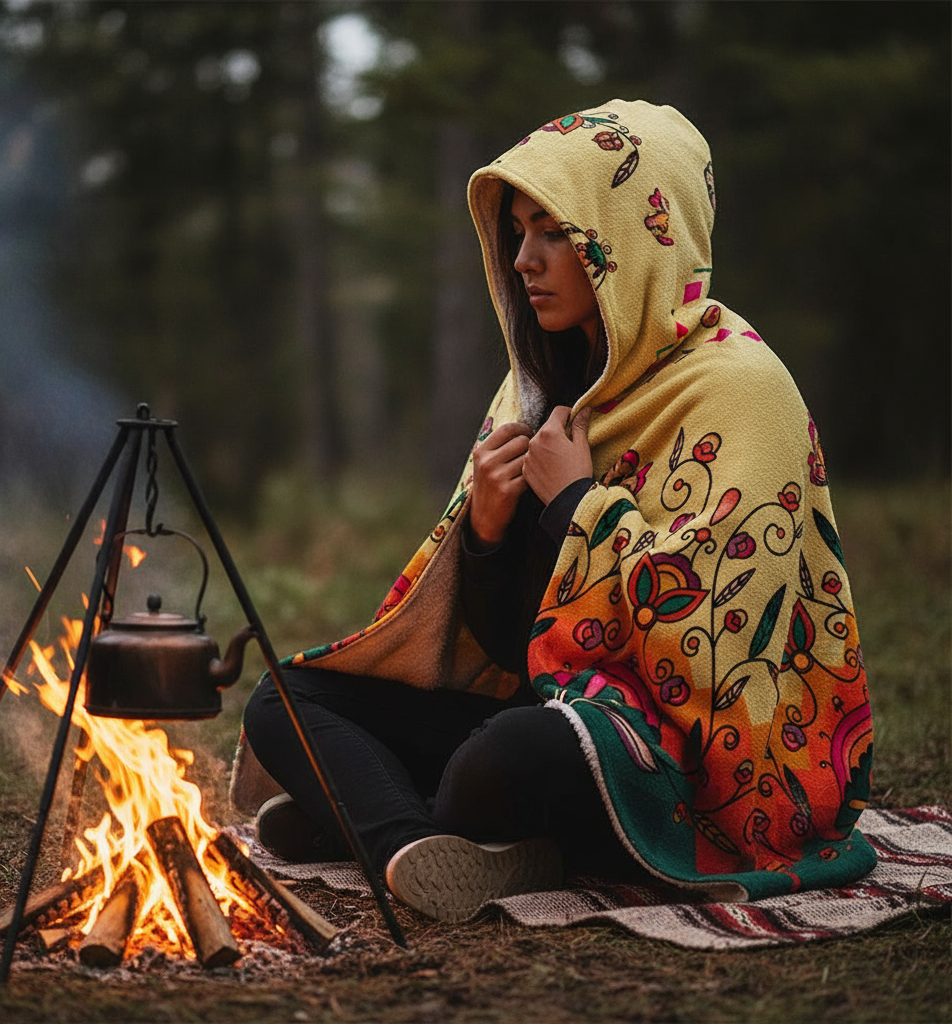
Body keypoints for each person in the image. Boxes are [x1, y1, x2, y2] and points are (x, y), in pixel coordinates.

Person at [237, 99, 876, 923]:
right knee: (286, 697)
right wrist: (488, 532)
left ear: (630, 237)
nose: (523, 261)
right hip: (554, 711)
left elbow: (716, 659)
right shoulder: (536, 388)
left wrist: (576, 503)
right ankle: (409, 844)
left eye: (553, 233)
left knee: (510, 755)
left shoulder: (741, 391)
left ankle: (369, 814)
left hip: (686, 761)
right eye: (516, 233)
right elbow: (517, 650)